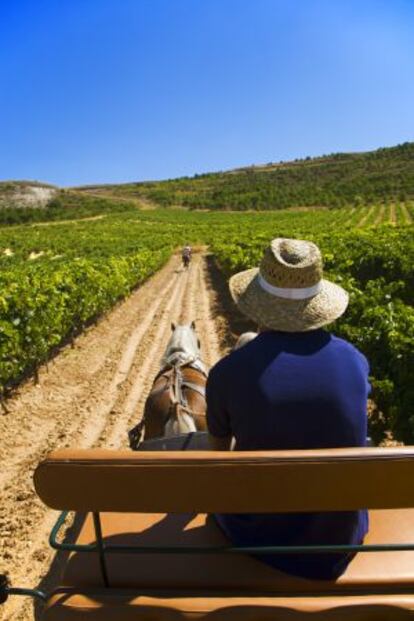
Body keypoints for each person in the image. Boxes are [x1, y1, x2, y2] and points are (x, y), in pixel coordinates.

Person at [206, 237, 371, 581]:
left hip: (258, 537)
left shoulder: (227, 373)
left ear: (257, 305)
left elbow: (218, 464)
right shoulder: (355, 361)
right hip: (340, 537)